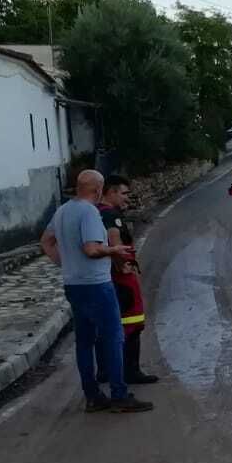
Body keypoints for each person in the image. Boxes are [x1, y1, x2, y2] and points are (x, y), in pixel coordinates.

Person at [40, 170, 153, 414]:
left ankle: (92, 396)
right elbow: (91, 249)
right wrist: (114, 251)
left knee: (84, 342)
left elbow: (46, 242)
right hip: (96, 284)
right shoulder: (89, 212)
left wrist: (66, 264)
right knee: (113, 336)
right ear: (99, 190)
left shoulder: (62, 211)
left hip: (73, 284)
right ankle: (119, 395)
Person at [96, 174, 158, 386]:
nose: (127, 199)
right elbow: (114, 241)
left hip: (104, 278)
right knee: (132, 321)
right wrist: (123, 264)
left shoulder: (95, 212)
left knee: (108, 324)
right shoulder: (110, 216)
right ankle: (131, 371)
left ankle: (105, 370)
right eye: (123, 193)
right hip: (120, 278)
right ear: (110, 192)